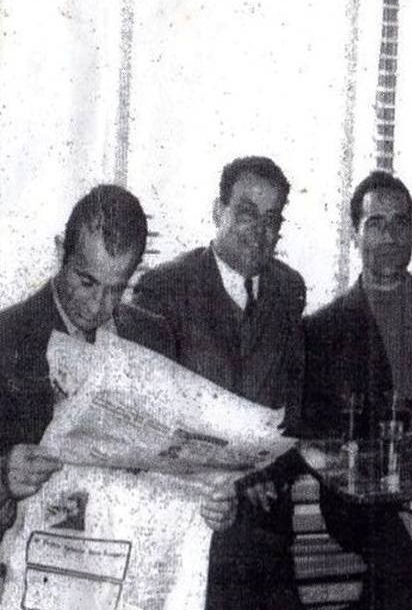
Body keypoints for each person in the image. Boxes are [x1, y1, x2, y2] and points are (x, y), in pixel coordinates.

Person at [0, 184, 236, 532]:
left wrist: (214, 503)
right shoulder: (7, 337)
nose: (98, 305)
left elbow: (172, 469)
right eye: (87, 281)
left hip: (128, 548)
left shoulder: (153, 337)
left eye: (116, 288)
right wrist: (3, 478)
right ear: (60, 252)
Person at [133, 157, 306, 610]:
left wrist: (262, 474)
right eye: (247, 213)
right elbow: (149, 424)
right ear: (218, 211)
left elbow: (296, 413)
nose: (260, 231)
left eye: (272, 219)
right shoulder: (164, 289)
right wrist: (228, 479)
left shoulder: (289, 290)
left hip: (265, 528)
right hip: (192, 520)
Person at [301, 171, 412, 610]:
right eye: (375, 223)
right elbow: (316, 431)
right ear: (354, 234)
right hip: (366, 498)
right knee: (408, 546)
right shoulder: (322, 328)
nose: (390, 236)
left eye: (400, 223)